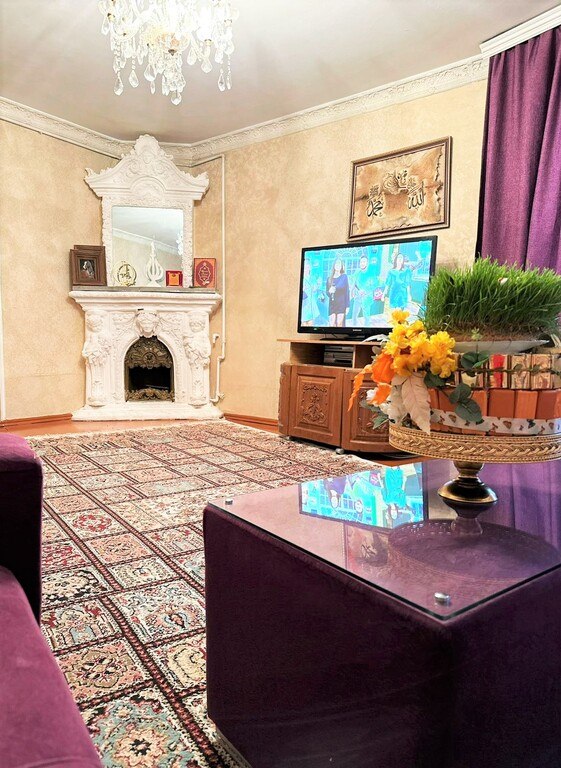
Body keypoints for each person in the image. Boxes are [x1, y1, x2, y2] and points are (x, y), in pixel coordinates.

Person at [326, 258, 350, 327]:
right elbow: (327, 293)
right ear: (334, 265)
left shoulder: (344, 277)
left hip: (341, 304)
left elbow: (347, 292)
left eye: (339, 263)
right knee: (332, 325)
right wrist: (329, 291)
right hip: (332, 305)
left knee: (339, 324)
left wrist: (347, 306)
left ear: (342, 266)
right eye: (336, 263)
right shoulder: (329, 279)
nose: (338, 265)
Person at [300, 259, 319, 326]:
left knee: (311, 325)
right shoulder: (300, 278)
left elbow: (315, 290)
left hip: (311, 306)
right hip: (303, 305)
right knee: (303, 325)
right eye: (305, 265)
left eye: (308, 265)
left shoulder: (313, 278)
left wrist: (315, 289)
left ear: (310, 267)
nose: (306, 267)